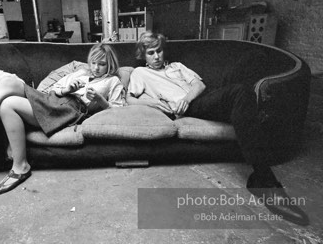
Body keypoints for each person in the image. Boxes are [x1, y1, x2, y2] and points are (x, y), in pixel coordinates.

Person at [126, 31, 308, 225]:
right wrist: (157, 104)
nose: (156, 56)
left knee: (254, 59)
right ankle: (264, 179)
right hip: (193, 108)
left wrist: (187, 98)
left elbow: (199, 85)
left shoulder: (176, 66)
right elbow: (130, 98)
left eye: (159, 51)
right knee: (239, 92)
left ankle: (255, 107)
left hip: (202, 98)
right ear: (143, 56)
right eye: (151, 53)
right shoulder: (140, 73)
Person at [0, 43, 124, 196]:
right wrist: (66, 88)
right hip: (53, 100)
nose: (96, 68)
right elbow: (55, 90)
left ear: (111, 65)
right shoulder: (81, 72)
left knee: (10, 89)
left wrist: (99, 101)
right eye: (93, 63)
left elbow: (119, 109)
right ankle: (20, 166)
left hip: (69, 110)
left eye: (102, 64)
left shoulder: (112, 81)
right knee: (8, 101)